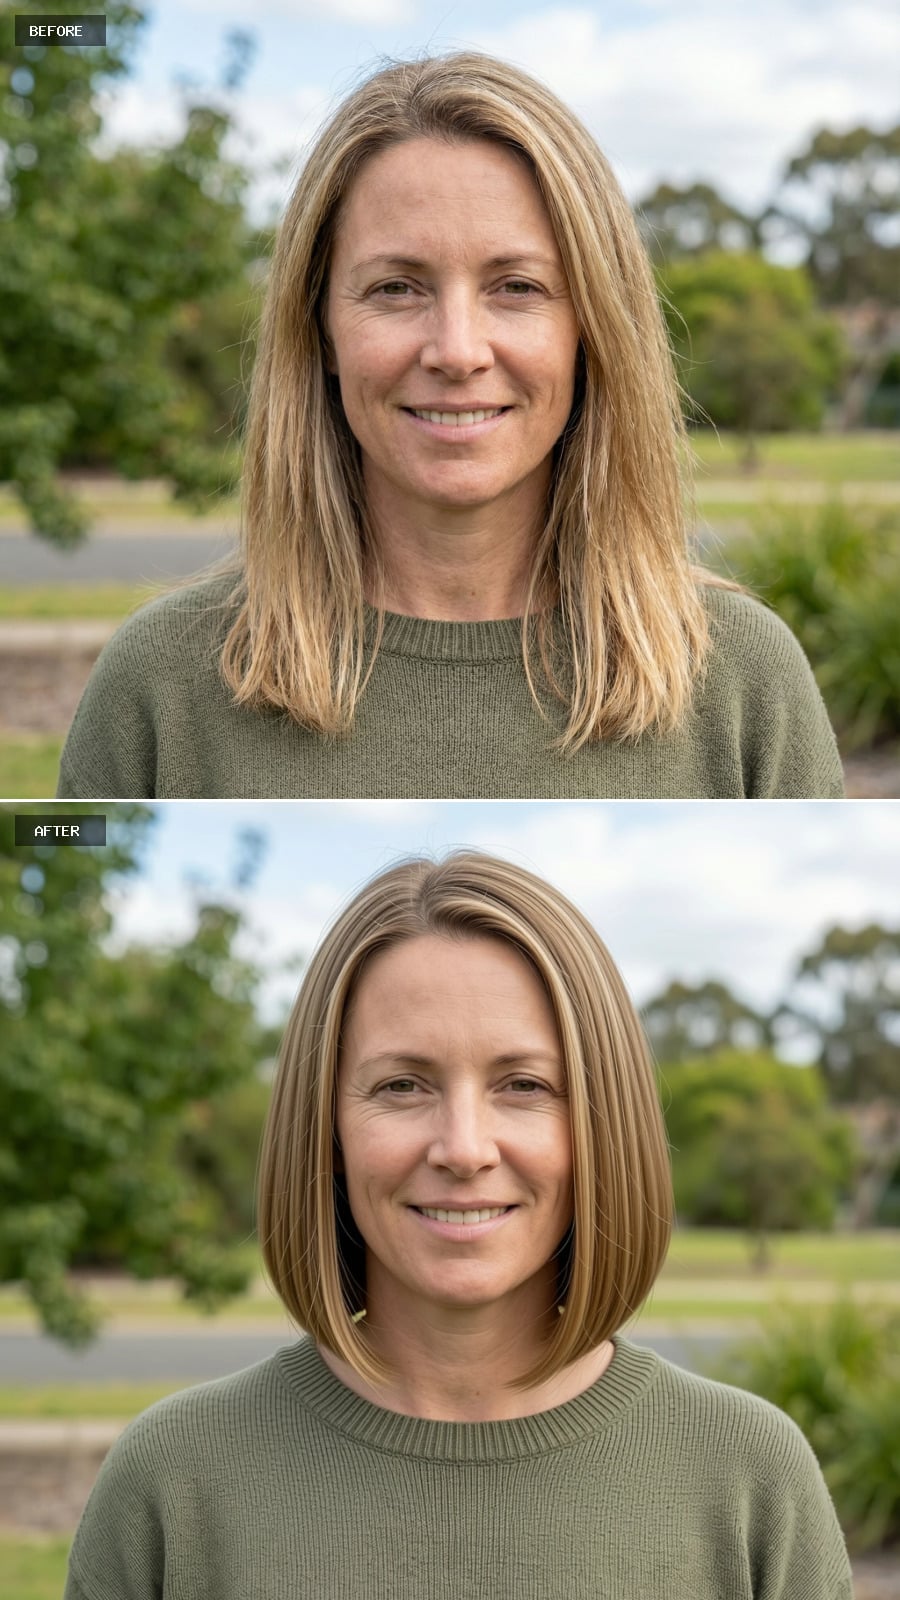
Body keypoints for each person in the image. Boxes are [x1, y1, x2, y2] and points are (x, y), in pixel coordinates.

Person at [64, 852, 853, 1599]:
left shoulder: (750, 1476)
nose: (464, 1149)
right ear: (325, 1127)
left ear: (600, 1124)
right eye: (403, 1085)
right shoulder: (171, 1481)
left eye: (523, 1084)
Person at [57, 53, 843, 800]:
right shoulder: (158, 687)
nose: (458, 351)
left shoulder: (744, 680)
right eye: (397, 287)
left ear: (593, 329)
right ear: (320, 327)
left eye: (517, 286)